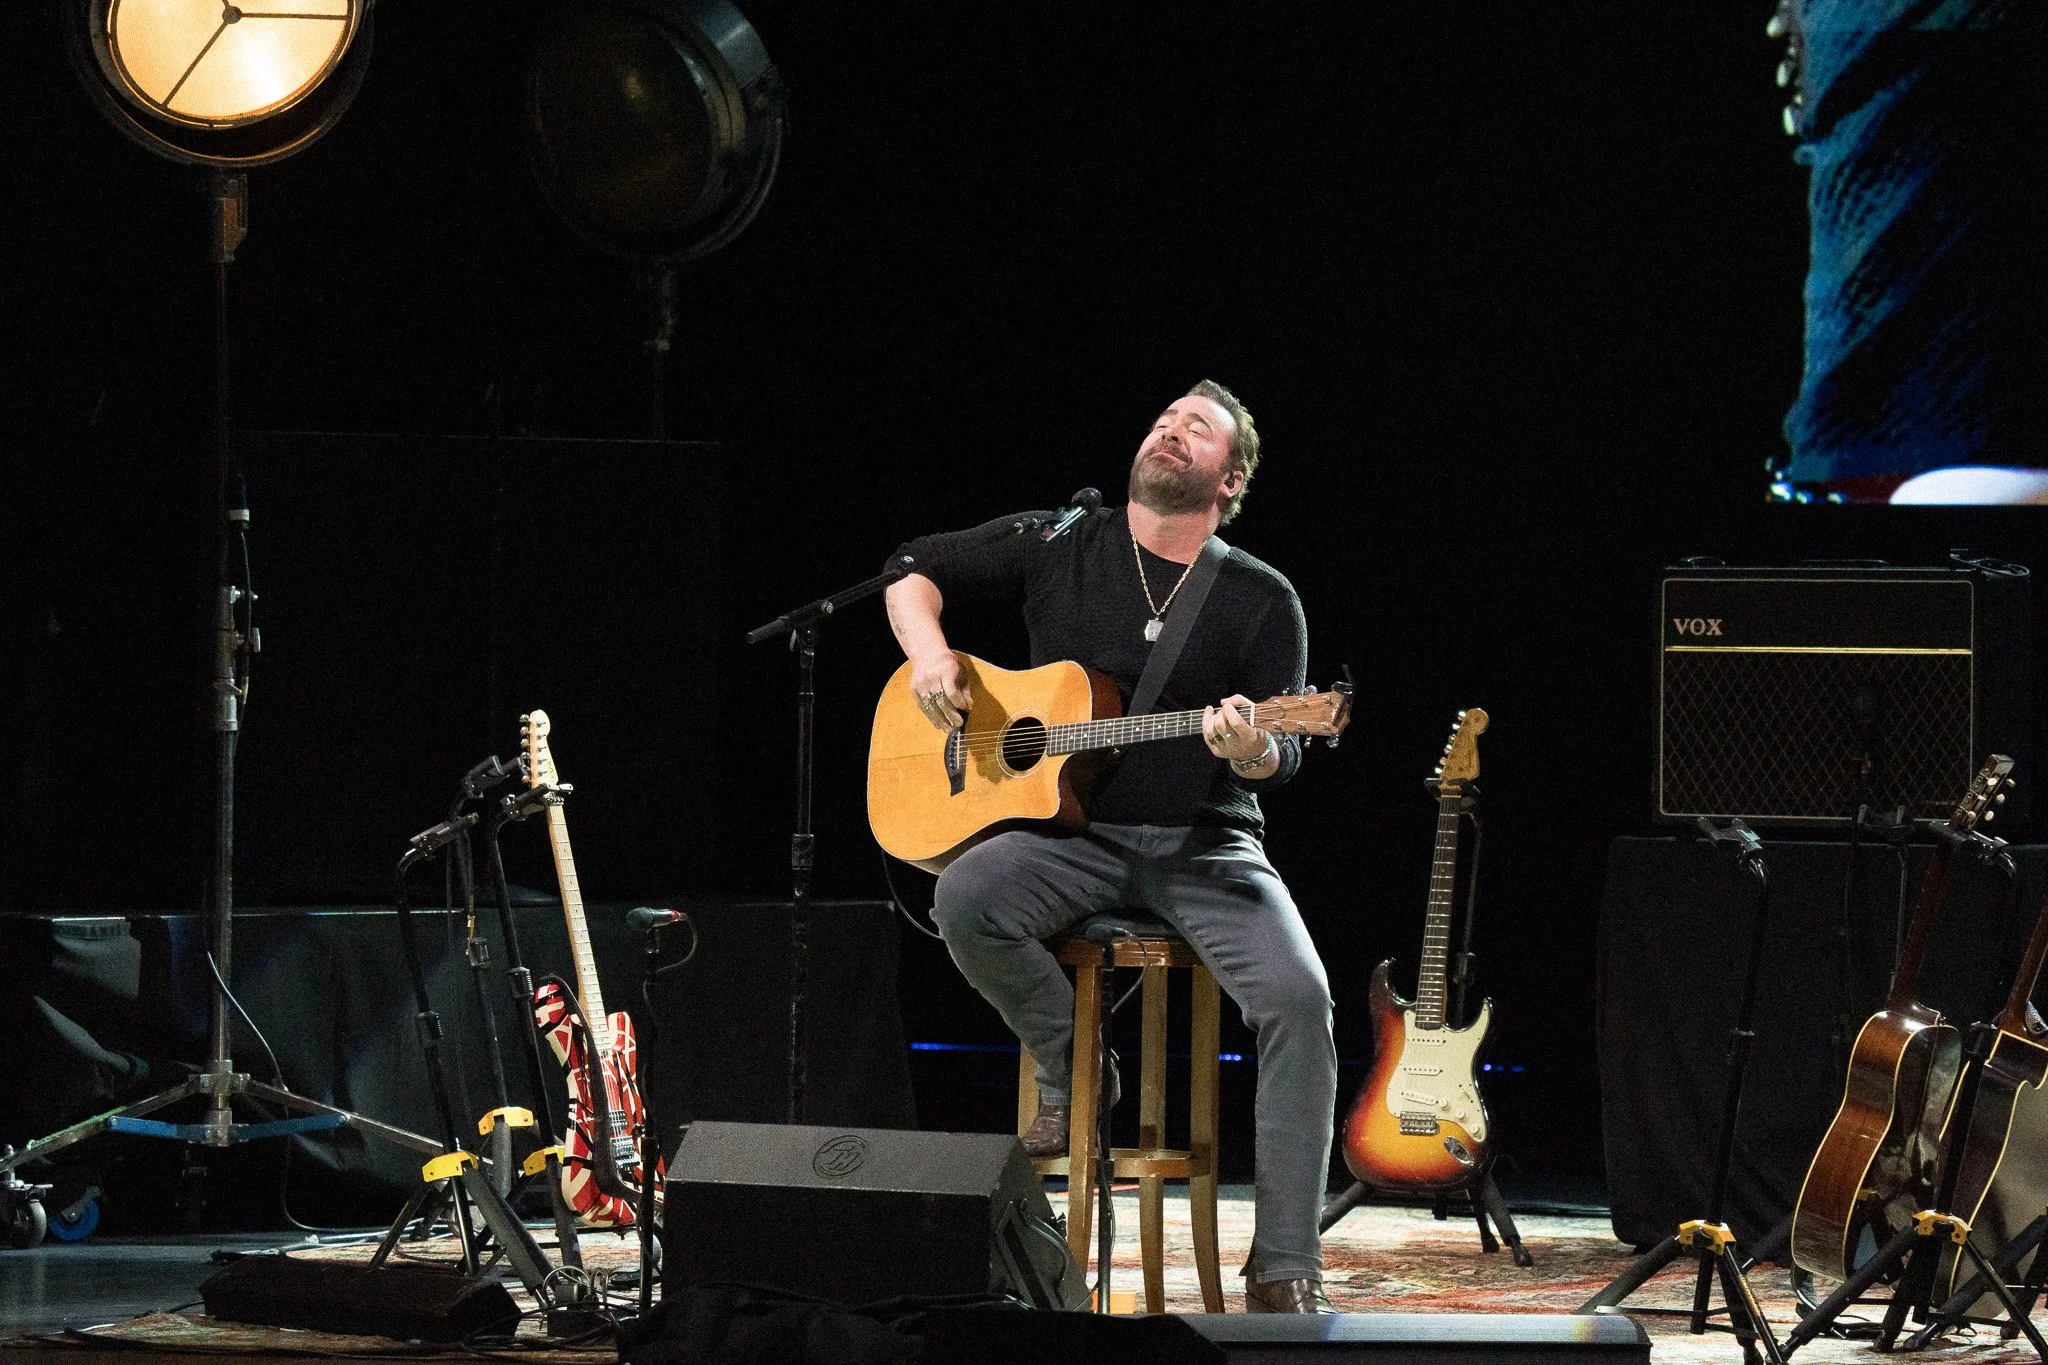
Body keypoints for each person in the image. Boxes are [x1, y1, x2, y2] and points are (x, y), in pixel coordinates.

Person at [883, 380, 1337, 1314]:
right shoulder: (1064, 540)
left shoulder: (1261, 598)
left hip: (1206, 844)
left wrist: (1252, 748)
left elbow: (1284, 754)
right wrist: (930, 653)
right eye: (1165, 419)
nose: (1170, 431)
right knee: (963, 897)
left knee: (1301, 998)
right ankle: (1076, 1069)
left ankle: (1285, 1263)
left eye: (1196, 429)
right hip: (1073, 835)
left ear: (1230, 479)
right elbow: (911, 566)